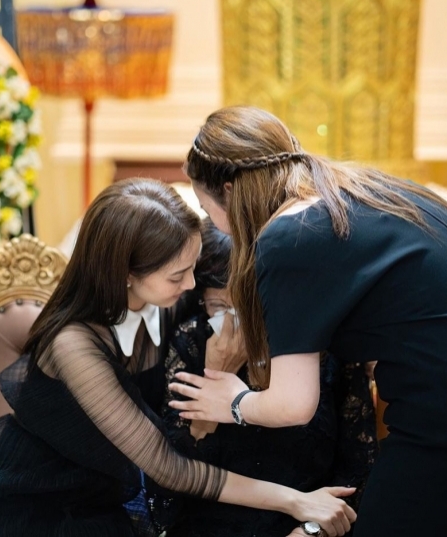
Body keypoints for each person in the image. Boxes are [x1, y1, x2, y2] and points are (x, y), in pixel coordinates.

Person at [169, 106, 447, 537]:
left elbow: (292, 405)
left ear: (230, 191)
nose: (219, 227)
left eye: (211, 213)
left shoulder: (290, 235)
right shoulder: (362, 190)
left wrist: (232, 402)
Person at [0, 178, 357, 537]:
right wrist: (297, 501)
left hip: (104, 501)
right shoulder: (73, 346)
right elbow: (169, 467)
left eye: (192, 267)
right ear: (126, 272)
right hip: (42, 507)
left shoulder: (165, 301)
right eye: (178, 276)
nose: (193, 285)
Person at [160, 219, 377, 537]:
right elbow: (179, 470)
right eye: (218, 305)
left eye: (248, 308)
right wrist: (219, 371)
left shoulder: (323, 349)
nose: (234, 322)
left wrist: (310, 530)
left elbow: (357, 466)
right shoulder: (191, 341)